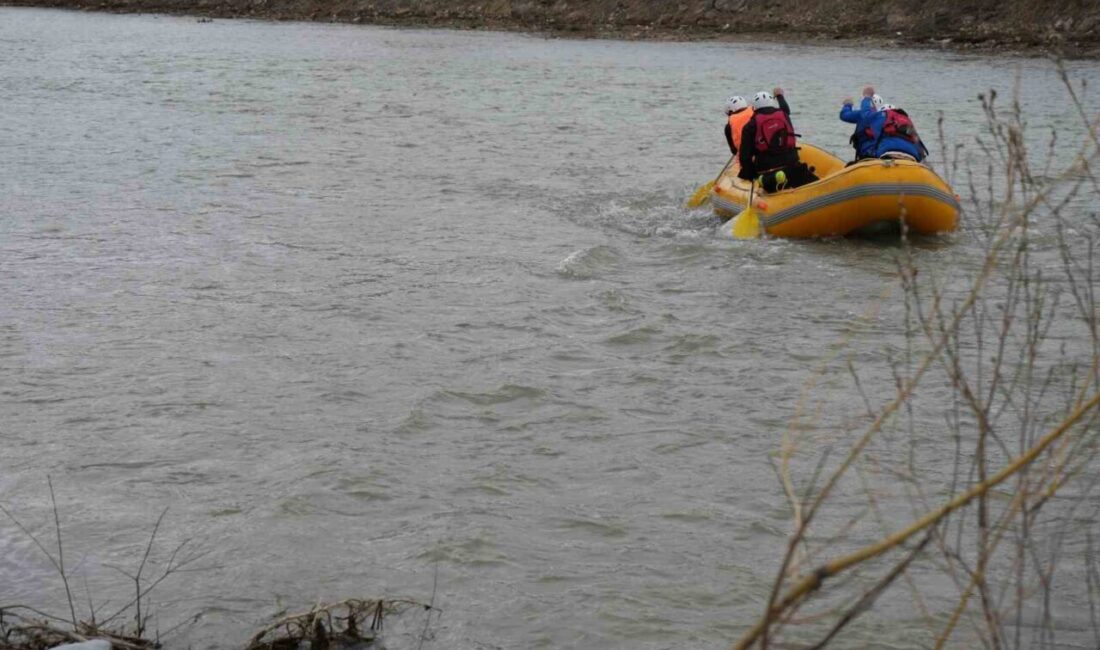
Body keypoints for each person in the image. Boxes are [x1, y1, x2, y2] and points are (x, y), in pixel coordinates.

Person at [737, 88, 818, 192]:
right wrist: (779, 96)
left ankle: (772, 179)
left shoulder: (749, 126)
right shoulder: (784, 114)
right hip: (792, 163)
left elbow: (745, 157)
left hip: (767, 169)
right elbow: (785, 108)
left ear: (754, 108)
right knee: (804, 176)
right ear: (772, 103)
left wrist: (751, 176)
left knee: (764, 177)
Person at [865, 103, 929, 161]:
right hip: (912, 154)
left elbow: (869, 136)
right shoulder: (906, 121)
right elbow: (920, 149)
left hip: (887, 151)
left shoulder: (881, 118)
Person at [839, 86, 882, 162]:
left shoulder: (862, 114)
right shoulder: (885, 116)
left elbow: (844, 115)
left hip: (865, 152)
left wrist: (848, 105)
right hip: (882, 152)